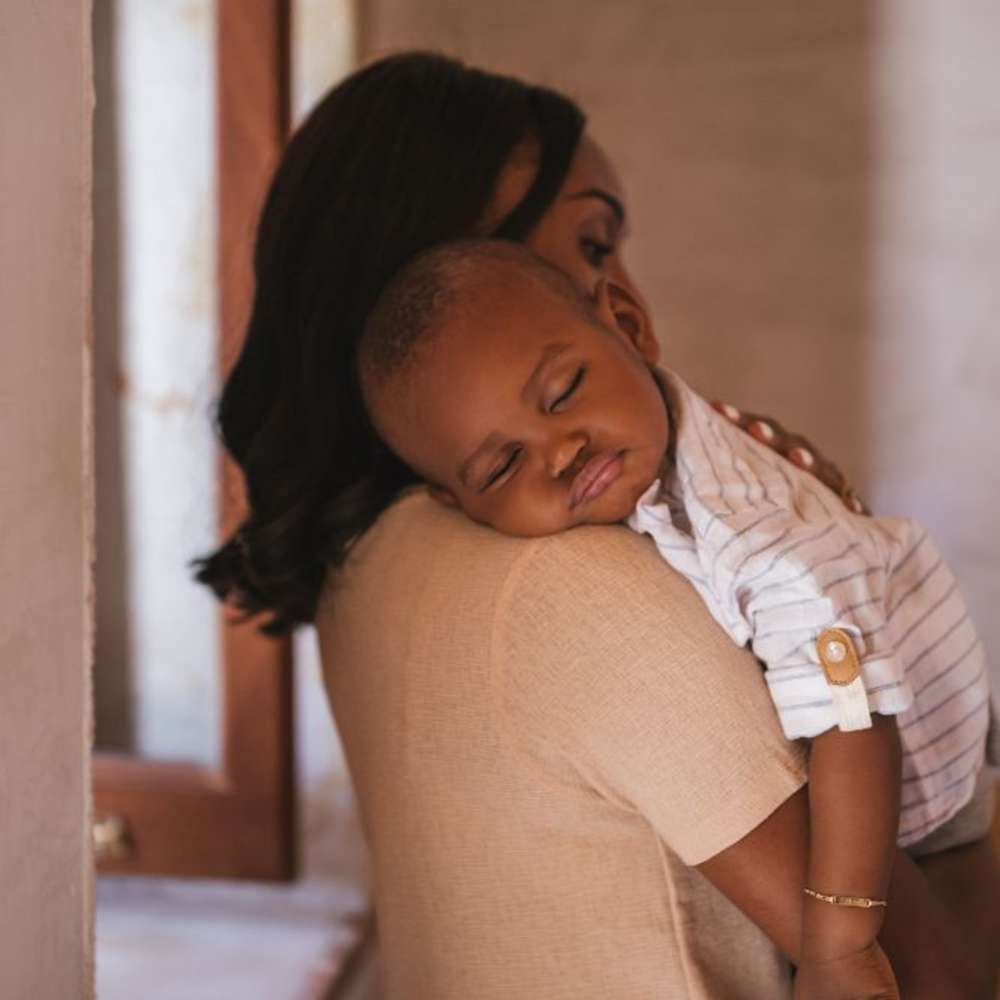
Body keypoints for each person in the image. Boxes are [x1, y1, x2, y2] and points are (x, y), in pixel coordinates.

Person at [194, 52, 1000, 998]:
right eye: (591, 245)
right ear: (451, 268)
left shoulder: (371, 557)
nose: (626, 293)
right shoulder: (576, 586)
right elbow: (923, 972)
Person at [355, 236, 996, 997]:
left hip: (934, 784)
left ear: (625, 322)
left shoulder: (755, 534)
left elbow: (855, 720)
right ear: (458, 506)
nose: (557, 451)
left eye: (562, 392)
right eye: (502, 466)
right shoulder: (631, 467)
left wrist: (837, 947)